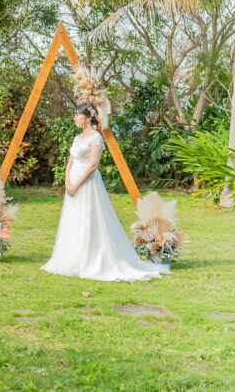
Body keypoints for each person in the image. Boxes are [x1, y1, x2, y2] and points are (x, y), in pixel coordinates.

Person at [41, 104, 169, 281]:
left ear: (87, 117)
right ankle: (73, 257)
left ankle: (92, 258)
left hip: (87, 184)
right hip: (72, 184)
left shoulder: (96, 138)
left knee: (89, 218)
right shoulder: (77, 138)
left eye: (77, 115)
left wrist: (76, 184)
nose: (74, 118)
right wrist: (67, 181)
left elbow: (93, 164)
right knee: (74, 218)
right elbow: (70, 161)